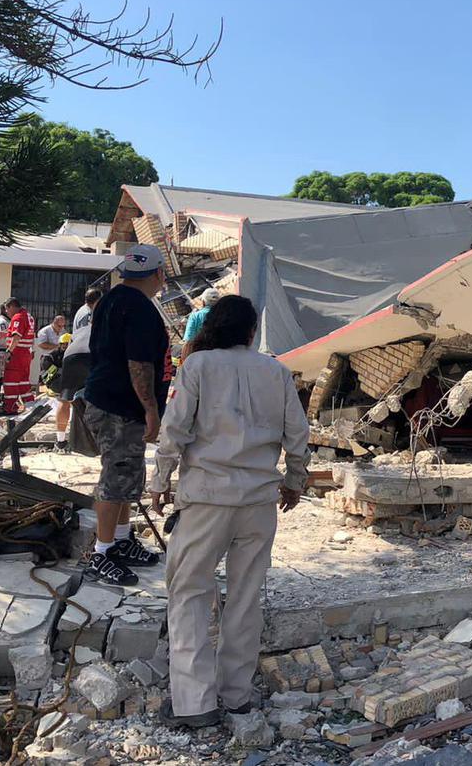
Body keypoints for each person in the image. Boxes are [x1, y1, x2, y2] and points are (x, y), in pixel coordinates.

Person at [150, 294, 309, 729]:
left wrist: (159, 483)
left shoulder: (197, 367)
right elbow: (298, 433)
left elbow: (175, 429)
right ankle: (236, 695)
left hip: (206, 498)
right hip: (259, 501)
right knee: (244, 597)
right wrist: (295, 481)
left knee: (189, 594)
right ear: (251, 332)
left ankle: (194, 701)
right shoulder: (275, 371)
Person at [82, 244, 171, 585]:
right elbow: (139, 364)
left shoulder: (111, 299)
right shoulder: (140, 309)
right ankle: (102, 553)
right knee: (116, 477)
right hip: (121, 405)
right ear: (159, 273)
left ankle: (120, 540)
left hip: (108, 399)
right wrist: (151, 409)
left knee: (127, 476)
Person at [54, 287, 103, 452]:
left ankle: (60, 441)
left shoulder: (80, 313)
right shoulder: (104, 313)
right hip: (93, 352)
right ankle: (102, 442)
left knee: (64, 399)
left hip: (72, 353)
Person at [0, 297, 36, 415]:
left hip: (17, 354)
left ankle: (10, 408)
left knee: (10, 381)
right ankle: (31, 406)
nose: (6, 312)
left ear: (11, 306)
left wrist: (9, 352)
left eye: (7, 309)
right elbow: (25, 332)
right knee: (23, 381)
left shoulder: (18, 317)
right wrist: (6, 333)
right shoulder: (28, 316)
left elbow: (17, 337)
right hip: (26, 353)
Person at [179, 288, 220, 361]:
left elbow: (189, 342)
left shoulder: (195, 316)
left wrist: (184, 363)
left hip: (201, 358)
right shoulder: (224, 316)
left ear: (203, 302)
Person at [35, 314, 67, 379]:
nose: (61, 328)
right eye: (59, 326)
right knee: (48, 378)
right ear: (54, 323)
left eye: (63, 326)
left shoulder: (63, 331)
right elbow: (41, 344)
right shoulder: (44, 331)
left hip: (59, 359)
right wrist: (57, 346)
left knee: (58, 378)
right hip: (48, 358)